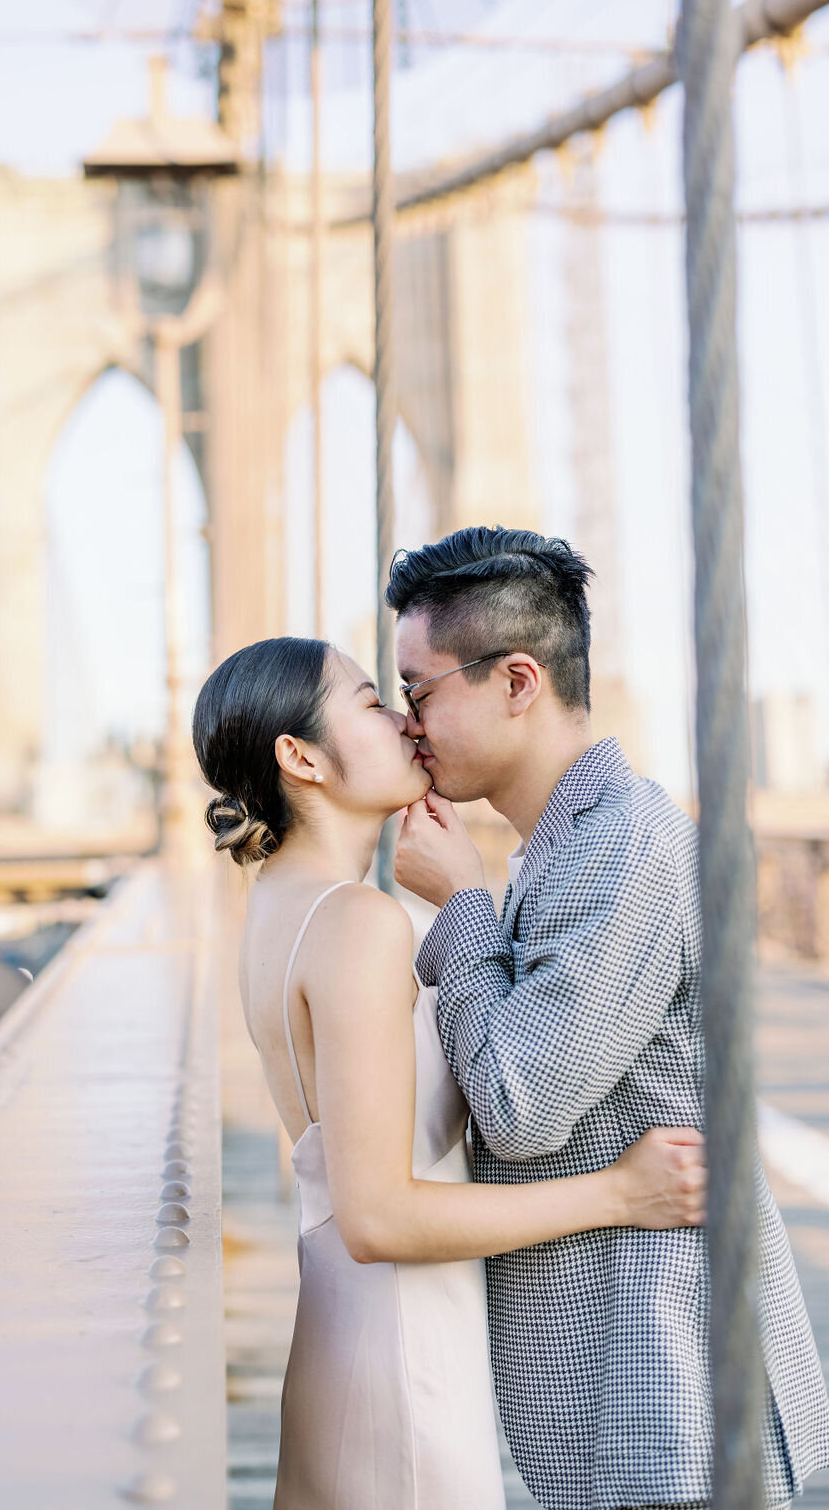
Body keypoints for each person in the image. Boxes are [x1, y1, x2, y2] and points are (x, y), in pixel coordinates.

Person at [193, 635, 706, 1510]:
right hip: (405, 1351)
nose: (403, 718)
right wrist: (622, 1195)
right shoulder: (360, 923)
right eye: (368, 701)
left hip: (346, 1339)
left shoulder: (279, 907)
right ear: (301, 756)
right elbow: (380, 1213)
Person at [388, 524, 829, 1510]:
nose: (406, 725)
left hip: (663, 1384)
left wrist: (460, 900)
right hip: (632, 1384)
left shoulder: (618, 845)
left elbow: (519, 1105)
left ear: (514, 680)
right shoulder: (561, 843)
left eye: (418, 693)